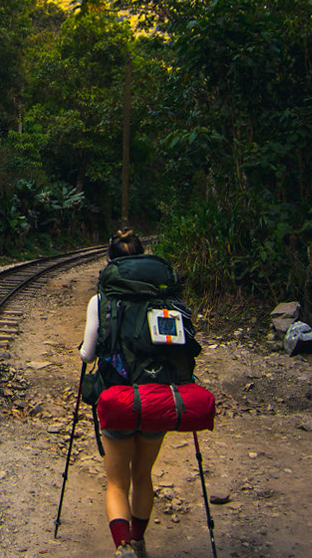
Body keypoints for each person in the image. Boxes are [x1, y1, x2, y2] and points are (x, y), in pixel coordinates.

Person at [80, 229, 176, 558]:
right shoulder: (165, 300)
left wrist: (84, 351)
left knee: (117, 482)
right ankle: (138, 539)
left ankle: (122, 548)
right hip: (157, 399)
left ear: (110, 263)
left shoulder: (100, 300)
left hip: (118, 401)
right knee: (143, 475)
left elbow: (88, 355)